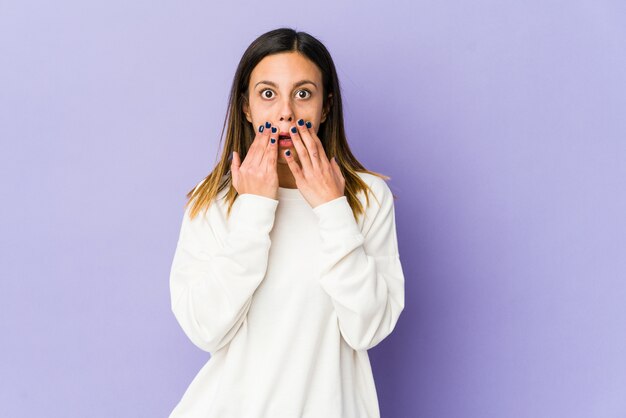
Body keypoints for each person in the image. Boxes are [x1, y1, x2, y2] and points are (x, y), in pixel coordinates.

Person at [168, 27, 405, 418]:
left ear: (325, 107)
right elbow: (205, 328)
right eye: (267, 94)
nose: (285, 113)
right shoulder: (212, 201)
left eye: (303, 93)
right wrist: (254, 209)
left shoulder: (366, 199)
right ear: (247, 107)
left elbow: (369, 328)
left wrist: (332, 210)